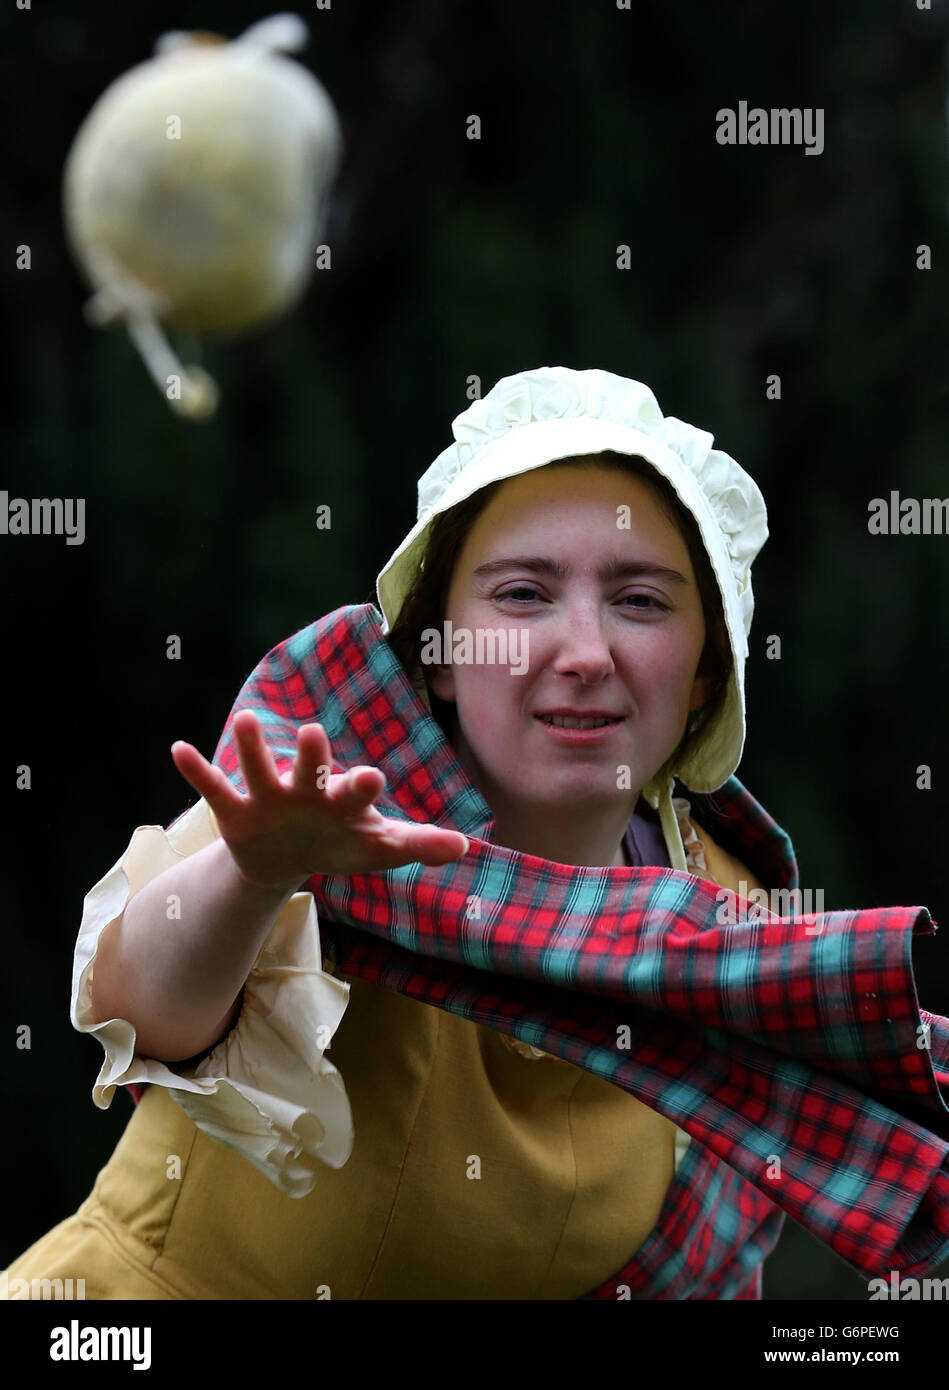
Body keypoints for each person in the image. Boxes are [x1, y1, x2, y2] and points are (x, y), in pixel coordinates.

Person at [4, 366, 948, 1301]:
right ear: (441, 655)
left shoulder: (731, 911)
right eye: (523, 596)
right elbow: (141, 1015)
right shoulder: (321, 802)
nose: (583, 655)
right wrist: (253, 873)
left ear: (706, 671)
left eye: (641, 601)